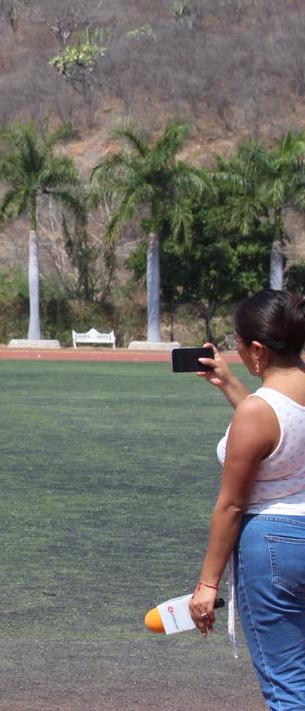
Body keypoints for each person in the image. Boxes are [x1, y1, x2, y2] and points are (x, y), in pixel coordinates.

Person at [191, 289, 305, 708]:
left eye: (237, 343)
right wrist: (234, 386)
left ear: (258, 349)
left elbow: (233, 504)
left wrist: (207, 584)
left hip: (274, 548)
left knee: (289, 685)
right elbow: (286, 435)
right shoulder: (266, 406)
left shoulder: (258, 412)